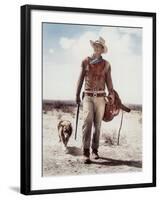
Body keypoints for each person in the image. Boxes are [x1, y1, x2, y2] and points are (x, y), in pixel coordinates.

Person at [76, 36, 115, 164]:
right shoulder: (85, 61)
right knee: (87, 123)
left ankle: (95, 150)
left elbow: (109, 80)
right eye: (96, 46)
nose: (98, 48)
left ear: (102, 49)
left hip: (101, 97)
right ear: (93, 47)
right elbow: (81, 78)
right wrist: (76, 95)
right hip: (87, 96)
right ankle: (85, 152)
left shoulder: (106, 64)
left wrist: (112, 93)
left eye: (100, 46)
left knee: (97, 125)